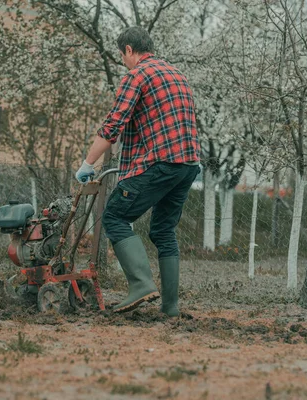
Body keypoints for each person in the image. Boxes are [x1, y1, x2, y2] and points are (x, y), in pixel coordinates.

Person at [76, 26, 200, 317]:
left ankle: (141, 284)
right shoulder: (176, 73)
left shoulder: (138, 75)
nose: (124, 62)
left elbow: (113, 125)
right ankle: (170, 307)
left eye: (123, 56)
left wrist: (87, 164)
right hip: (187, 165)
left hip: (160, 163)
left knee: (115, 216)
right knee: (163, 230)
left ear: (129, 50)